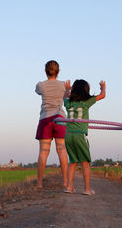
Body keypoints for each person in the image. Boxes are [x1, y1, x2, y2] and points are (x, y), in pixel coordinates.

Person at [63, 79, 106, 195]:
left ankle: (69, 187)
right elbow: (102, 96)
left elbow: (64, 97)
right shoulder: (87, 102)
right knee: (85, 162)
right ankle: (87, 189)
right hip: (80, 135)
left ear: (74, 90)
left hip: (68, 135)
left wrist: (67, 89)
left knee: (72, 161)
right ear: (86, 91)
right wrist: (103, 87)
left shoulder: (68, 102)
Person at [35, 60, 70, 188]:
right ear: (58, 71)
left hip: (45, 118)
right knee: (61, 150)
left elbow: (37, 91)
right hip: (60, 118)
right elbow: (67, 96)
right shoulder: (63, 85)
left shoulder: (41, 85)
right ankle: (66, 182)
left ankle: (39, 183)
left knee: (43, 152)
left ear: (45, 71)